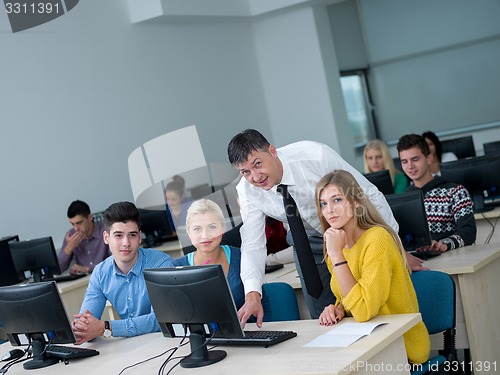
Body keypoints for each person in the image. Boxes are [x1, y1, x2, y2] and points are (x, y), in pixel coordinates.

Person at [227, 129, 423, 326]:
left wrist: (395, 246)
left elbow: (368, 193)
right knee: (324, 315)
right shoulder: (247, 191)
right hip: (306, 242)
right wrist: (252, 293)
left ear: (272, 150)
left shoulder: (315, 156)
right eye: (245, 172)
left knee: (371, 301)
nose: (255, 177)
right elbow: (252, 244)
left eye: (257, 164)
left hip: (353, 236)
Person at [316, 170, 430, 364]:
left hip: (399, 346)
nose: (329, 210)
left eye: (337, 200)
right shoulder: (336, 244)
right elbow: (351, 294)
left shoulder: (377, 239)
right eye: (323, 204)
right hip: (365, 340)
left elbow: (363, 310)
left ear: (356, 203)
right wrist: (339, 308)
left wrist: (336, 256)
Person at [71, 201, 173, 344]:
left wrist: (106, 327)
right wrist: (82, 328)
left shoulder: (161, 264)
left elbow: (160, 320)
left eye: (132, 235)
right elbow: (87, 323)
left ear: (140, 237)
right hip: (129, 347)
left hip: (165, 342)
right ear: (106, 238)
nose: (126, 243)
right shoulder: (100, 273)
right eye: (118, 235)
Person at [397, 134, 476, 251]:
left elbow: (468, 232)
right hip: (416, 262)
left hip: (452, 259)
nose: (410, 166)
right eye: (404, 161)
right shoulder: (402, 199)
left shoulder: (456, 192)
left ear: (429, 158)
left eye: (415, 159)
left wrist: (444, 244)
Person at [169, 199, 246, 309]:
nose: (205, 235)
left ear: (223, 228)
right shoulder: (176, 269)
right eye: (197, 229)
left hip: (247, 325)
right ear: (188, 233)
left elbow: (261, 303)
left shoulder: (241, 257)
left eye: (212, 227)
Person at [58, 200, 111, 275]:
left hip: (106, 277)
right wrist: (69, 247)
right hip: (84, 282)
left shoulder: (106, 231)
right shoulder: (71, 235)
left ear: (90, 217)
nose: (76, 228)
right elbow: (58, 269)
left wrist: (88, 269)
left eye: (79, 223)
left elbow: (116, 262)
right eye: (72, 224)